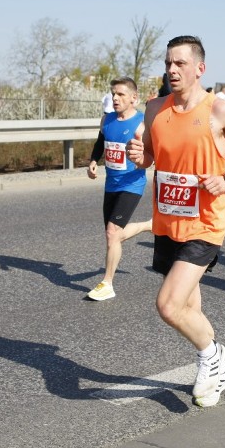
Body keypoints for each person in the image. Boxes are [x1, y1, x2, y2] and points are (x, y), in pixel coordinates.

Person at [125, 35, 225, 407]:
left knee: (169, 306)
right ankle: (215, 366)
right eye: (168, 63)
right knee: (190, 309)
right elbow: (151, 159)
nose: (172, 70)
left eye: (180, 64)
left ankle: (214, 359)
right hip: (169, 221)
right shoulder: (155, 108)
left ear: (199, 68)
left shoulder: (219, 110)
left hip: (205, 223)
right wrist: (138, 154)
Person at [86, 77, 152, 301]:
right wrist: (94, 161)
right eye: (113, 93)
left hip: (132, 184)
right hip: (111, 184)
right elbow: (100, 142)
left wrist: (143, 157)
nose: (115, 98)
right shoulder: (107, 119)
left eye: (121, 94)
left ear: (134, 98)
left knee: (112, 232)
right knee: (112, 236)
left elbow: (153, 154)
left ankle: (107, 283)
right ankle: (149, 225)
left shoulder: (143, 123)